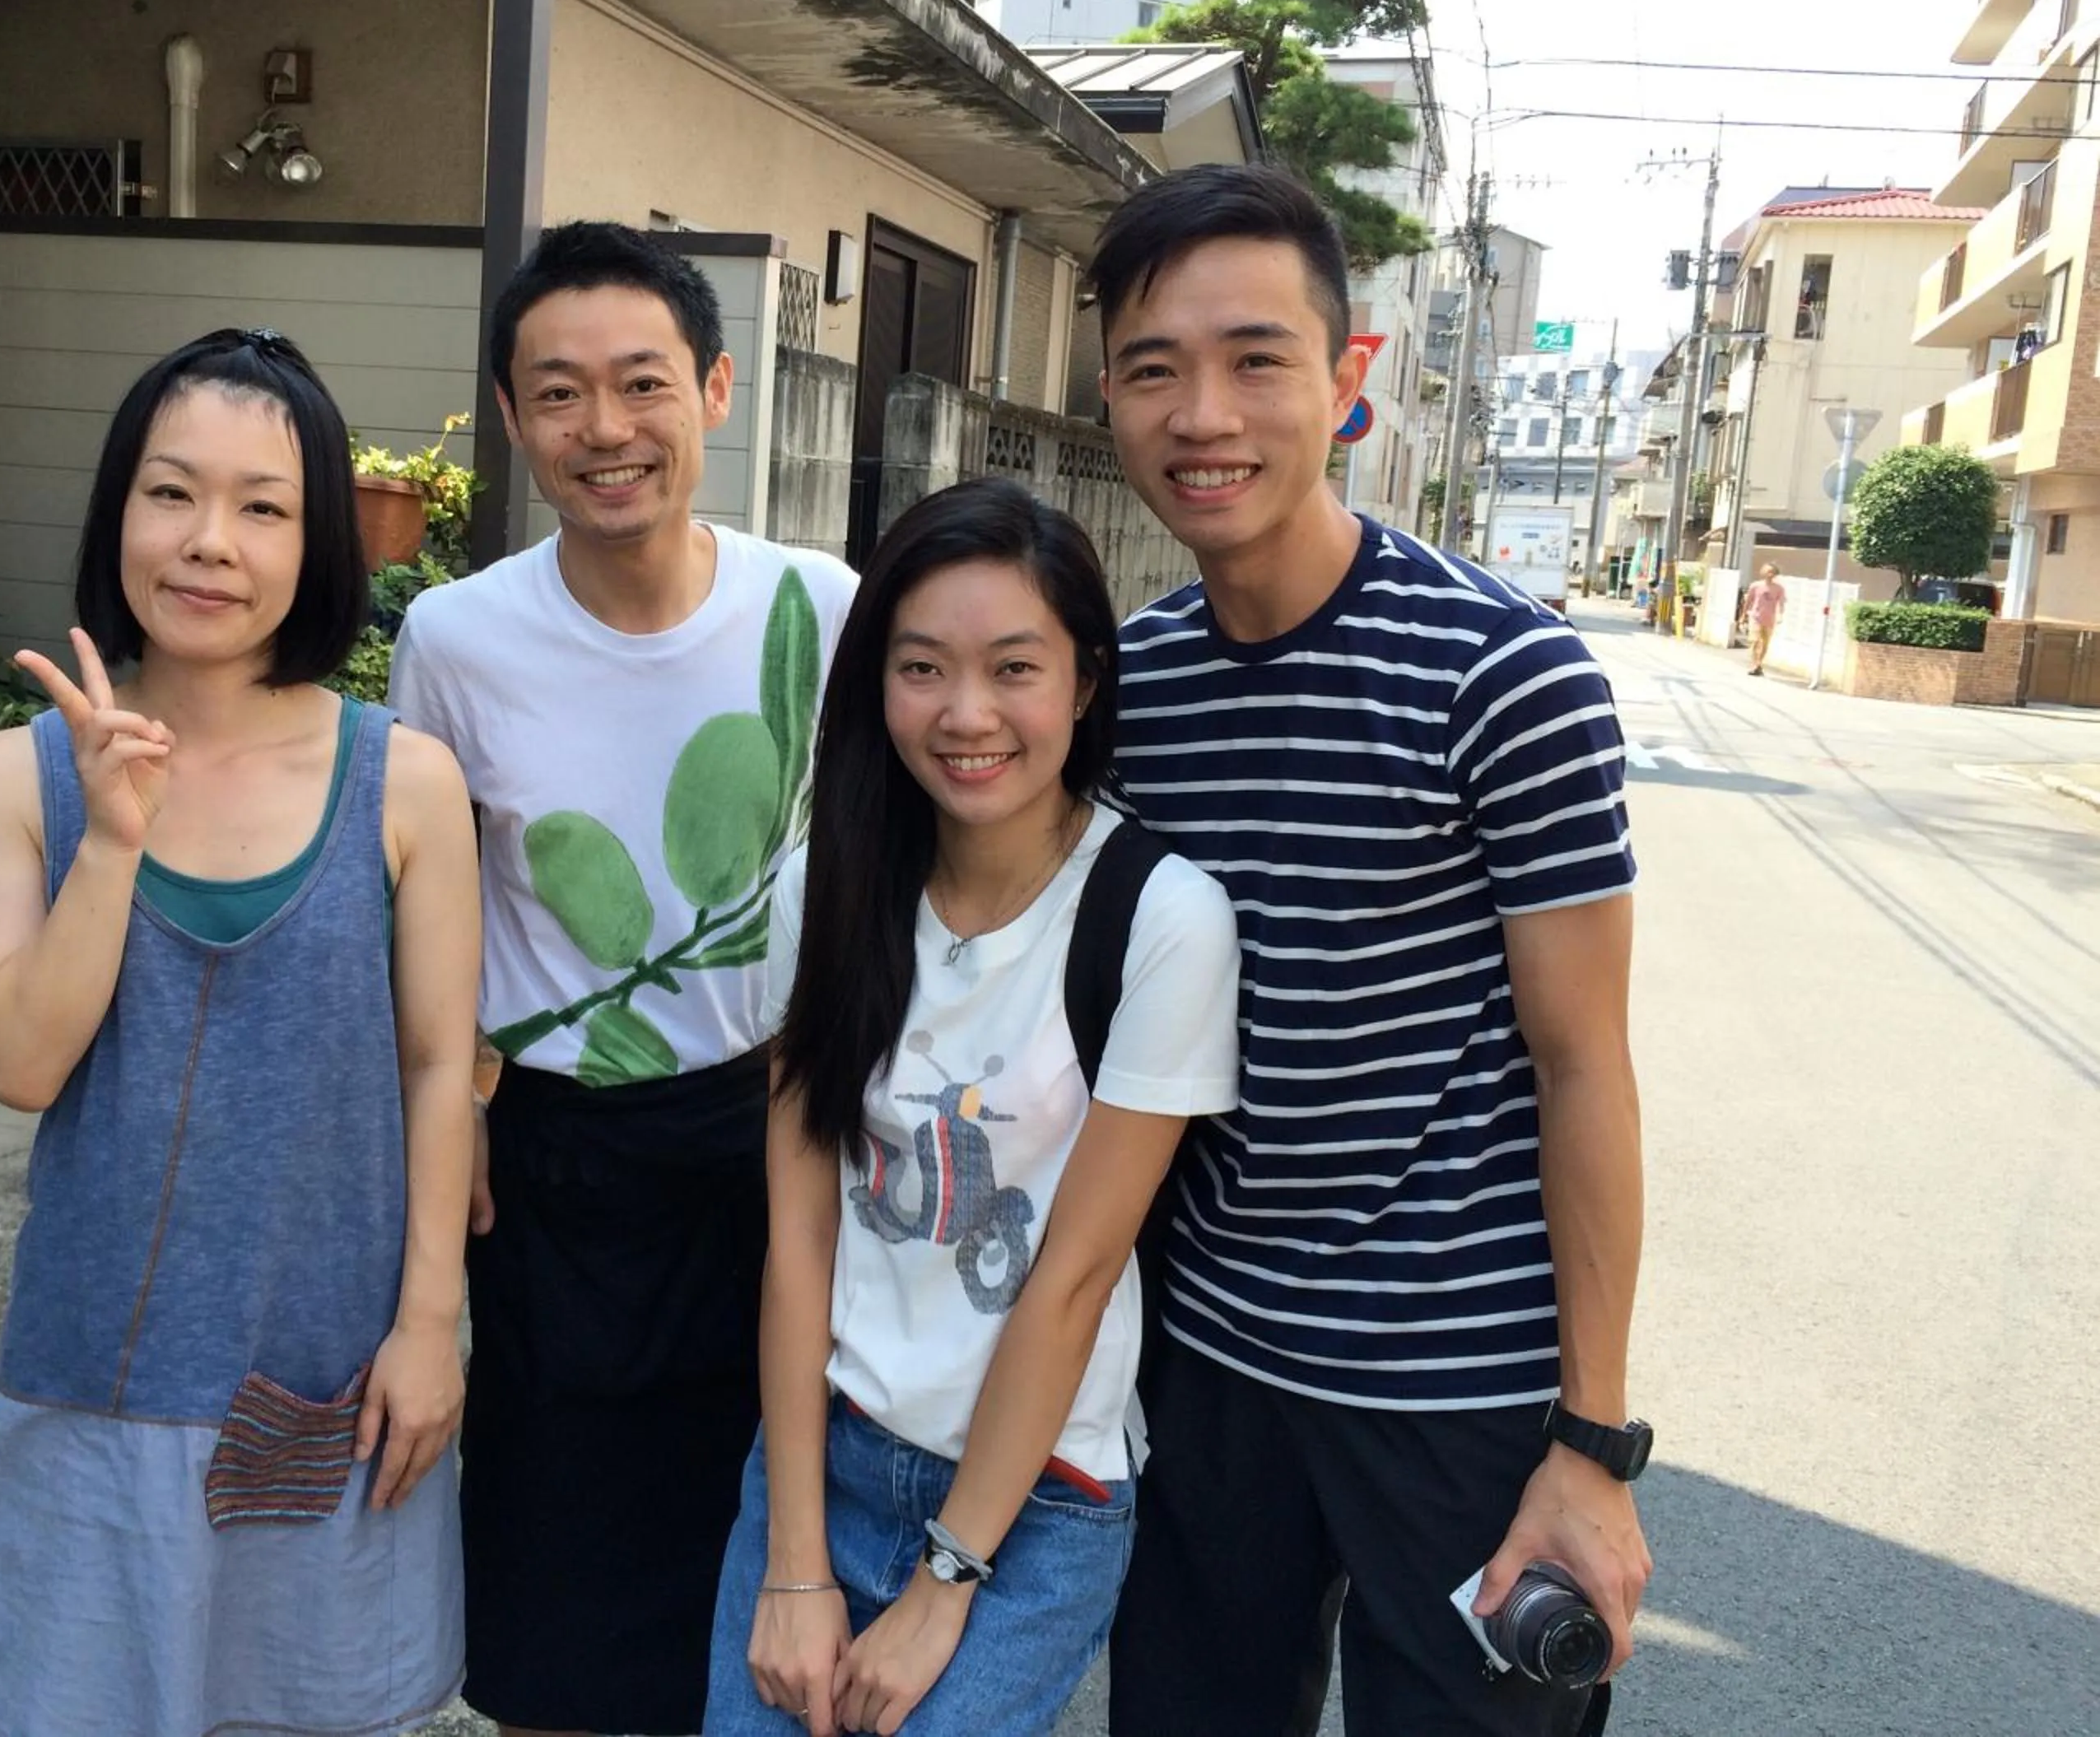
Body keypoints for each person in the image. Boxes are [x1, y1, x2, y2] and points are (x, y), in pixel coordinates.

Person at [1094, 163, 1653, 1737]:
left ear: (1351, 380)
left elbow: (1583, 1061)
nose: (1204, 412)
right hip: (1207, 1371)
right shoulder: (1124, 687)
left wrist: (1591, 1447)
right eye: (1154, 368)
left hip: (1461, 1399)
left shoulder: (1507, 671)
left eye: (1255, 359)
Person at [0, 328, 480, 1735]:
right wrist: (112, 846)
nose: (209, 542)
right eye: (172, 493)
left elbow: (440, 1065)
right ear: (118, 507)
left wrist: (432, 1325)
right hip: (94, 1383)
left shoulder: (405, 782)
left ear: (316, 547)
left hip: (328, 1376)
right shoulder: (15, 777)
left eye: (264, 507)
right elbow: (19, 1066)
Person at [389, 221, 857, 1737]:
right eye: (562, 394)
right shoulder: (457, 638)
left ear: (716, 390)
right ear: (517, 422)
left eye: (642, 383)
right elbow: (439, 919)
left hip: (782, 1139)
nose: (608, 430)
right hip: (561, 1164)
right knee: (559, 1592)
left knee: (781, 1562)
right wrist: (451, 1129)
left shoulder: (827, 613)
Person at [705, 479, 1240, 1737]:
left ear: (1086, 683)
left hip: (1035, 1500)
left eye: (1014, 668)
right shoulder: (825, 890)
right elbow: (801, 1237)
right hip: (823, 1456)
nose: (967, 714)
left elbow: (1072, 1277)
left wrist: (948, 1580)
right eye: (923, 667)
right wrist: (793, 1557)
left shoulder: (1160, 919)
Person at [1742, 562, 1786, 675]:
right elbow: (1748, 601)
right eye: (1768, 571)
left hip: (1769, 619)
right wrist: (1743, 616)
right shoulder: (1755, 586)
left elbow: (1781, 604)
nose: (1770, 574)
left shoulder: (1779, 588)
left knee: (1765, 643)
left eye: (1772, 572)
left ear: (1776, 574)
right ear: (1763, 572)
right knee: (1755, 641)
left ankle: (1759, 663)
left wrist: (1780, 615)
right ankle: (1755, 665)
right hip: (1756, 617)